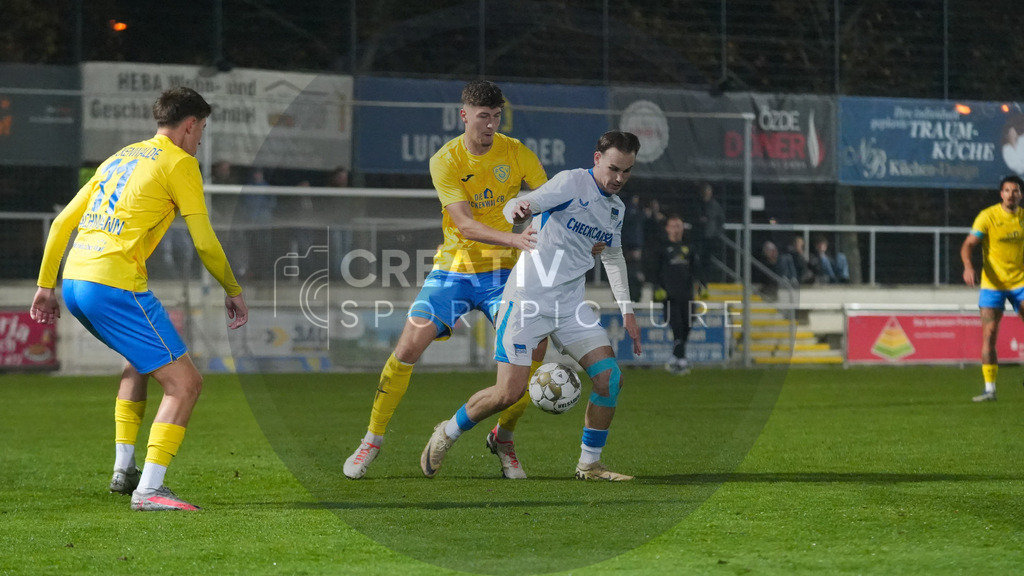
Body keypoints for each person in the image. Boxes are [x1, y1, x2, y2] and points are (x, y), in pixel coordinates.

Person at [29, 87, 249, 511]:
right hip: (114, 284)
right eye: (201, 128)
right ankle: (149, 491)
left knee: (139, 363)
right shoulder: (180, 162)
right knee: (186, 384)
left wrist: (45, 285)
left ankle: (124, 470)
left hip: (76, 281)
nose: (200, 138)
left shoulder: (120, 156)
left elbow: (60, 223)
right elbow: (204, 242)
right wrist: (233, 290)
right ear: (189, 125)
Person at [342, 80, 548, 480]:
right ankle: (372, 439)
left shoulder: (517, 153)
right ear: (465, 115)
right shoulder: (446, 159)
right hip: (455, 269)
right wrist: (516, 236)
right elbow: (466, 225)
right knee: (407, 347)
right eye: (482, 116)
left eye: (495, 116)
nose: (489, 125)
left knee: (534, 355)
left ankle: (503, 437)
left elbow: (550, 199)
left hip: (505, 274)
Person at [419, 130, 643, 482]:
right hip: (526, 301)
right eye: (614, 168)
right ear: (597, 159)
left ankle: (589, 464)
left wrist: (627, 309)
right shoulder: (571, 183)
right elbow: (524, 203)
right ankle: (446, 432)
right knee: (507, 394)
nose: (619, 178)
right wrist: (518, 209)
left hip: (569, 307)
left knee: (609, 379)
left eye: (627, 172)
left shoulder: (616, 209)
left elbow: (613, 257)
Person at [960, 175, 1024, 402]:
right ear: (1001, 194)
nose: (1011, 195)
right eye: (1007, 190)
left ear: (1020, 195)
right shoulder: (988, 216)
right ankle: (990, 390)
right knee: (989, 335)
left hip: (1021, 283)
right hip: (992, 285)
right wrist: (968, 267)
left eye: (1015, 191)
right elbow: (968, 244)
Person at [655, 214, 699, 375]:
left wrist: (701, 285)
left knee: (688, 325)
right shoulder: (662, 248)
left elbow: (696, 270)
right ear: (667, 228)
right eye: (673, 226)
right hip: (670, 296)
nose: (676, 229)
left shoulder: (690, 248)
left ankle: (676, 358)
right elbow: (655, 270)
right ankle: (681, 360)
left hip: (687, 295)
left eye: (679, 225)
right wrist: (658, 288)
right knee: (678, 327)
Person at [694, 183, 725, 285]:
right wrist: (699, 220)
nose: (707, 194)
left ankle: (705, 280)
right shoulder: (698, 204)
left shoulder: (715, 205)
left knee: (707, 260)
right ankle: (698, 278)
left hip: (710, 237)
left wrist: (717, 232)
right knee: (697, 258)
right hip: (699, 236)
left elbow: (721, 220)